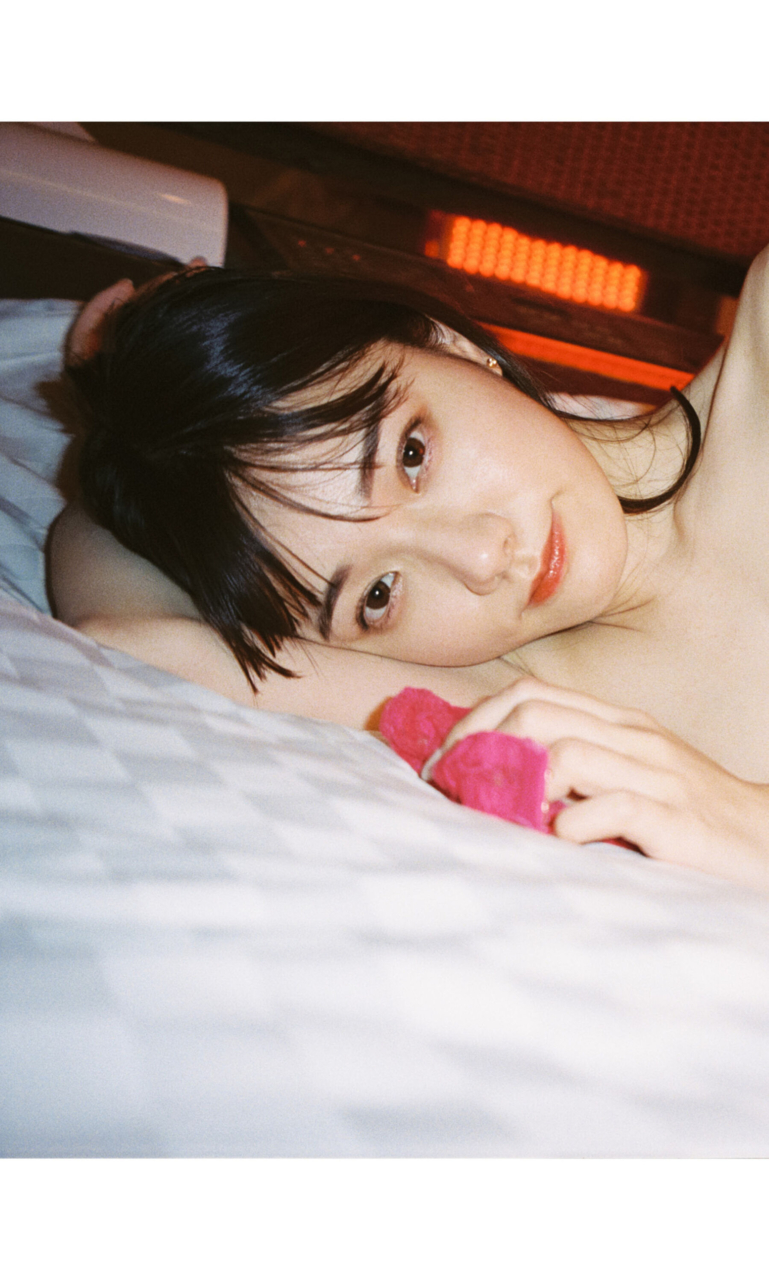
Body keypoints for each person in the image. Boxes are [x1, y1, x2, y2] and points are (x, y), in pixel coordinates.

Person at [48, 254, 769, 889]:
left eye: (411, 455)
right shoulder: (511, 691)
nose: (482, 559)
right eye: (377, 596)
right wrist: (127, 450)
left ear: (446, 341)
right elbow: (135, 634)